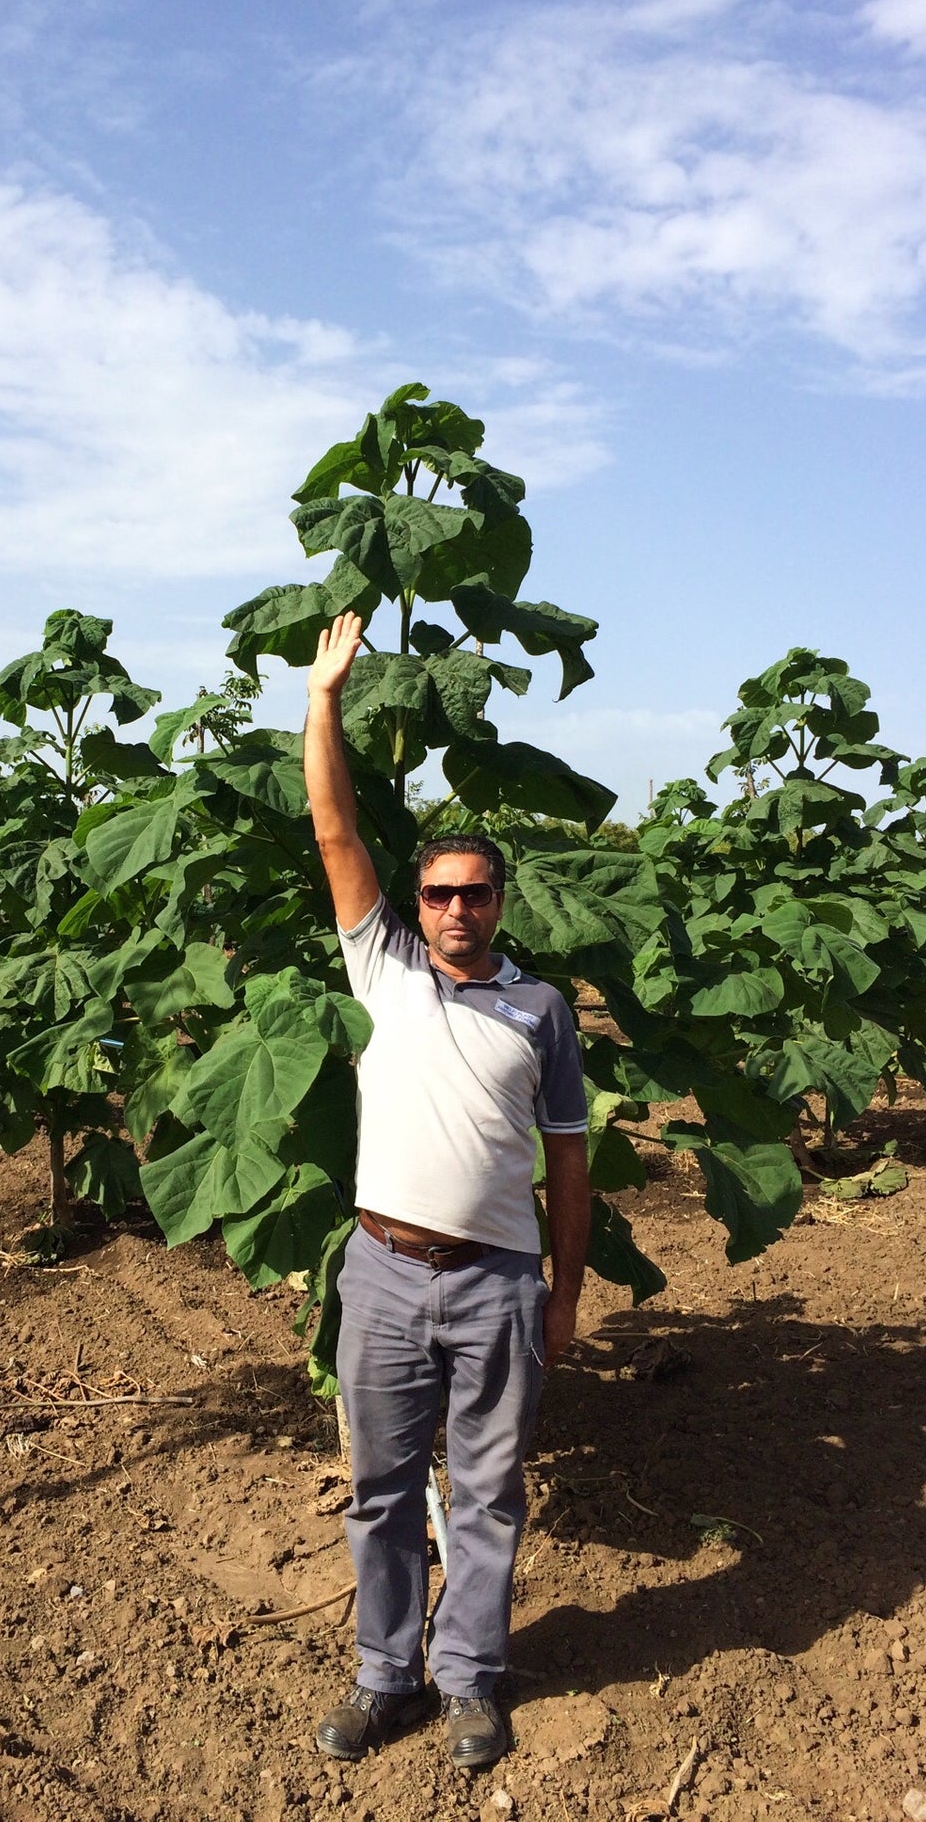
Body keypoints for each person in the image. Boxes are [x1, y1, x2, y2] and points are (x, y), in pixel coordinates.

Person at [303, 610, 592, 1772]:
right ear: (415, 905)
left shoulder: (543, 1009)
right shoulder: (380, 968)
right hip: (379, 1269)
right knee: (377, 1489)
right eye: (437, 894)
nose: (456, 909)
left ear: (499, 900)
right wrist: (323, 702)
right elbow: (333, 831)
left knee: (485, 1491)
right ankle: (385, 1676)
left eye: (474, 892)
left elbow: (564, 1158)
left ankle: (470, 1679)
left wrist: (562, 1293)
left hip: (494, 1283)